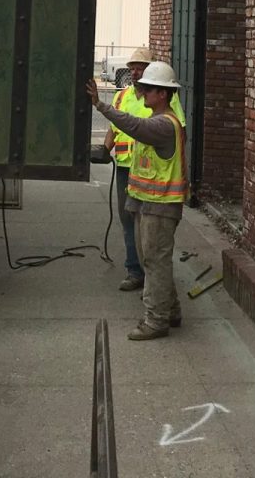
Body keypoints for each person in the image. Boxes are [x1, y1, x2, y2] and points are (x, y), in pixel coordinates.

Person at [87, 61, 187, 341]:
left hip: (160, 205)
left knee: (154, 261)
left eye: (148, 89)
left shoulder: (163, 125)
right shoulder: (159, 120)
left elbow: (134, 126)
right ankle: (171, 310)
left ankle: (156, 320)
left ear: (163, 94)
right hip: (148, 202)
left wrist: (101, 105)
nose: (141, 91)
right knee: (154, 260)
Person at [103, 47, 186, 292]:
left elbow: (169, 131)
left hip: (156, 182)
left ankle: (156, 293)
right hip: (129, 170)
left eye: (141, 67)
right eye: (133, 68)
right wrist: (104, 149)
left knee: (153, 243)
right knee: (129, 222)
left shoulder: (165, 103)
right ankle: (135, 271)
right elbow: (114, 128)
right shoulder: (122, 97)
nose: (136, 72)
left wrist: (99, 104)